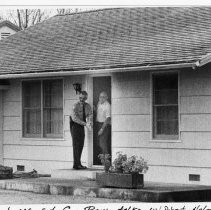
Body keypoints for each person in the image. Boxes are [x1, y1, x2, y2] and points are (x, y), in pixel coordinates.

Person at [71, 91, 92, 170]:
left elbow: (90, 115)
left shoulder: (87, 106)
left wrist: (89, 122)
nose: (81, 100)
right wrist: (85, 124)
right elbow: (74, 118)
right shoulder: (75, 106)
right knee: (76, 145)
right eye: (80, 98)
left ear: (86, 98)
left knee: (81, 144)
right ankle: (76, 165)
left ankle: (78, 163)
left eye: (83, 98)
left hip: (82, 125)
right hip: (74, 125)